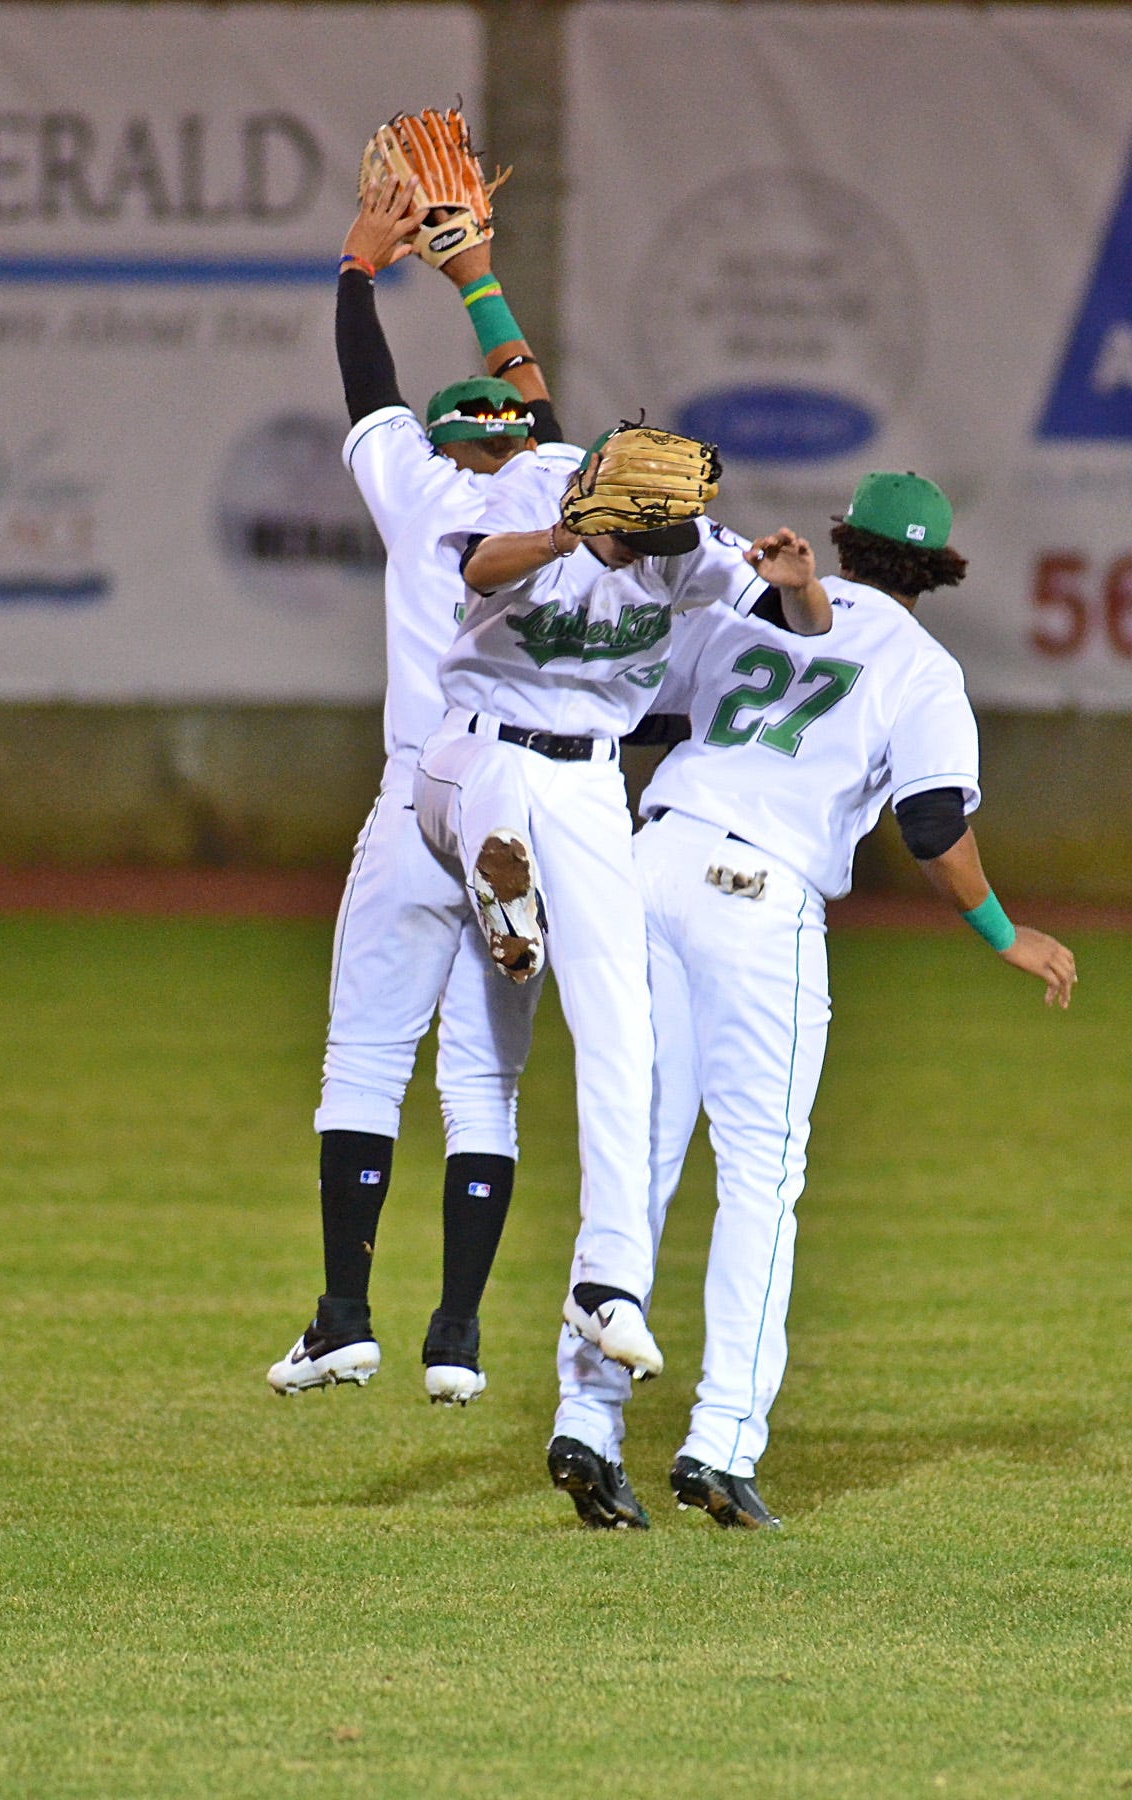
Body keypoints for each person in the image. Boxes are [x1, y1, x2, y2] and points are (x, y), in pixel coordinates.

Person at [552, 472, 1077, 1529]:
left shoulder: (747, 609)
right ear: (935, 570)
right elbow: (930, 824)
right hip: (756, 897)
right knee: (759, 1178)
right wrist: (1002, 933)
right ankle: (721, 1441)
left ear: (847, 541)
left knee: (637, 1158)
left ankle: (587, 1421)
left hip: (651, 864)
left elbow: (640, 716)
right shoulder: (922, 669)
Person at [423, 432, 835, 1527]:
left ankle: (605, 1304)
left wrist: (787, 576)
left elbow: (773, 600)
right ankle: (503, 891)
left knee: (629, 1063)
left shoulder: (686, 549)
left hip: (597, 792)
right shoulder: (532, 516)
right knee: (488, 820)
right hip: (474, 752)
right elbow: (474, 568)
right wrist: (569, 529)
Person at [266, 178, 577, 1406]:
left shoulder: (420, 492)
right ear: (522, 445)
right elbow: (542, 403)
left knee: (362, 1061)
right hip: (527, 797)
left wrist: (359, 266)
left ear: (452, 440)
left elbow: (367, 387)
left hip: (418, 794)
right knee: (484, 1084)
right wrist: (476, 278)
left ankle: (345, 1313)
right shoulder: (556, 491)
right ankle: (457, 1333)